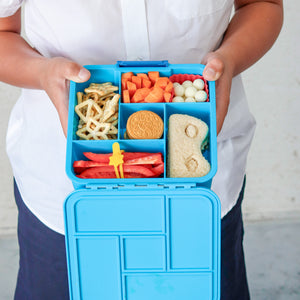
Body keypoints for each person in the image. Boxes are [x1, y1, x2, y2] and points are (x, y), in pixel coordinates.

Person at [0, 0, 283, 299]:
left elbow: (263, 4)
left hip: (203, 185)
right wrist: (42, 72)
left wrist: (230, 59)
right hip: (62, 193)